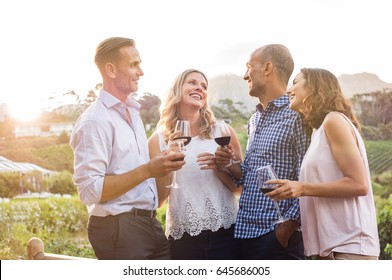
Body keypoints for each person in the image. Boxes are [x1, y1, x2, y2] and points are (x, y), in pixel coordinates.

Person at [70, 37, 185, 260]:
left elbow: (131, 168)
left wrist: (160, 162)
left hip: (149, 223)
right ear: (111, 70)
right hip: (119, 228)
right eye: (133, 64)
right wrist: (148, 170)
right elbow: (89, 191)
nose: (141, 71)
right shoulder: (94, 121)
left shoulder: (132, 113)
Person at [266, 68, 380, 260]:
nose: (288, 90)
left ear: (314, 87)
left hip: (349, 247)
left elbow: (358, 184)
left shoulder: (333, 121)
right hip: (330, 249)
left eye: (295, 82)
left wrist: (301, 188)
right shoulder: (318, 130)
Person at [215, 44, 308, 259]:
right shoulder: (254, 119)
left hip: (276, 237)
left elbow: (308, 177)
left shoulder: (298, 116)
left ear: (267, 68)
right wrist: (229, 164)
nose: (245, 75)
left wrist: (284, 231)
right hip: (245, 233)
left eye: (249, 67)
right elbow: (251, 176)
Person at [148, 69, 243, 259]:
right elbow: (158, 200)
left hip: (227, 232)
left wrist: (220, 168)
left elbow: (240, 188)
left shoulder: (223, 132)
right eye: (192, 82)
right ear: (177, 90)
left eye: (204, 86)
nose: (199, 88)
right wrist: (168, 164)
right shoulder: (158, 141)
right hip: (183, 237)